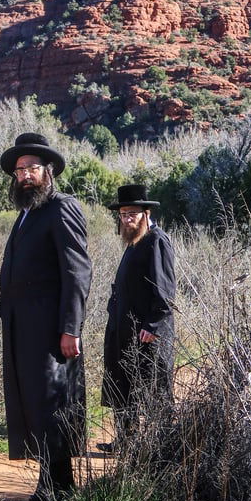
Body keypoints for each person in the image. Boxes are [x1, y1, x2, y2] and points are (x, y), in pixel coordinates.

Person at [0, 133, 92, 501]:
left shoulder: (61, 208)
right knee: (37, 409)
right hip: (23, 331)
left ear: (47, 171)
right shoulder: (26, 213)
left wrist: (71, 328)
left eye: (31, 168)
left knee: (54, 409)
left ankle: (53, 494)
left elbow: (77, 272)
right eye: (19, 170)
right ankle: (53, 490)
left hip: (52, 333)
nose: (24, 175)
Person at [98, 184, 176, 453]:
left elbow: (165, 290)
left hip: (148, 333)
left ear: (145, 213)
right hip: (124, 329)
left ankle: (163, 446)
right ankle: (126, 441)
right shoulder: (133, 241)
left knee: (154, 389)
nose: (127, 219)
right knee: (124, 386)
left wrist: (153, 325)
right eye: (122, 214)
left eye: (132, 213)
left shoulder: (156, 240)